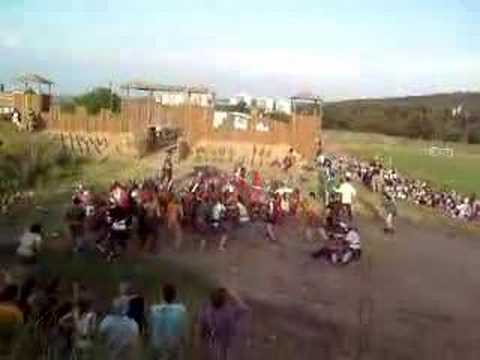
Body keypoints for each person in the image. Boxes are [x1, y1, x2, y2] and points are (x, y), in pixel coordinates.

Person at [197, 288, 249, 360]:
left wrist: (200, 339)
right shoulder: (228, 312)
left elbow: (201, 326)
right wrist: (234, 297)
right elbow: (245, 309)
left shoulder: (206, 309)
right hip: (222, 343)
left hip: (210, 342)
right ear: (224, 301)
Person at [148, 284, 187, 360]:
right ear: (175, 295)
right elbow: (183, 330)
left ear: (162, 295)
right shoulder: (181, 310)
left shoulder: (154, 309)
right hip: (174, 346)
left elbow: (150, 329)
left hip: (158, 346)